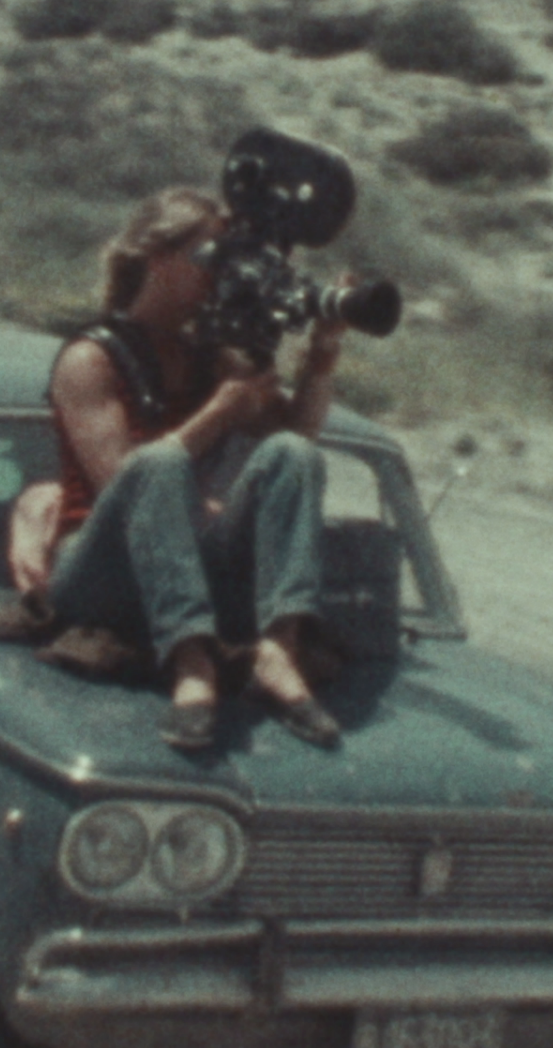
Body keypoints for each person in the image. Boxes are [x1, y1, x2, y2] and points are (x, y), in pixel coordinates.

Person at [43, 186, 348, 751]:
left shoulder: (207, 356)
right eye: (209, 257)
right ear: (158, 258)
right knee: (159, 463)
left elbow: (296, 439)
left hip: (184, 568)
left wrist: (322, 356)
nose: (219, 276)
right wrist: (219, 412)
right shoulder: (89, 358)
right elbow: (123, 483)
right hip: (100, 573)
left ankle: (279, 649)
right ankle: (192, 663)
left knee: (295, 456)